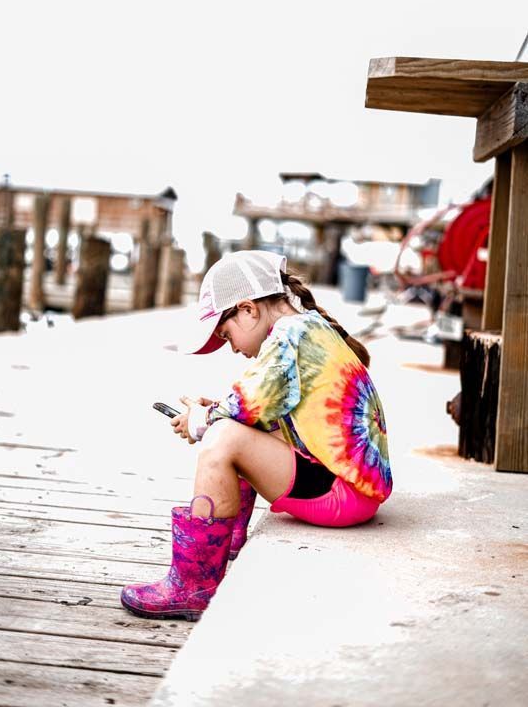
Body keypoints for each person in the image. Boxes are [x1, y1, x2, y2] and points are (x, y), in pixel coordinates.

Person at [121, 250, 392, 621]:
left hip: (340, 496)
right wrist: (216, 410)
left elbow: (248, 403)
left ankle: (192, 585)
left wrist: (203, 420)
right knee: (231, 427)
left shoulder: (288, 334)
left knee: (220, 440)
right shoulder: (309, 327)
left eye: (226, 333)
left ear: (248, 309)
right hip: (353, 489)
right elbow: (262, 408)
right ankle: (228, 537)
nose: (231, 346)